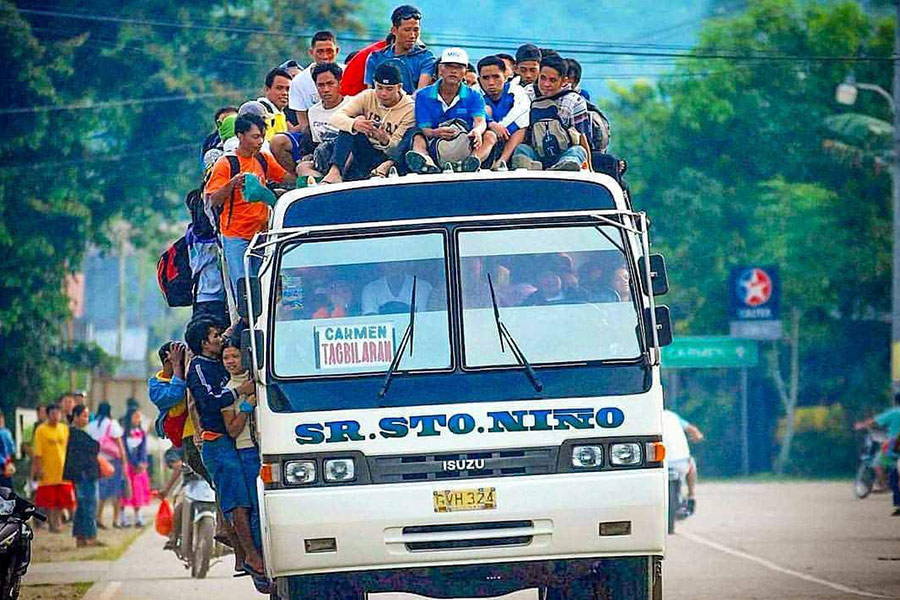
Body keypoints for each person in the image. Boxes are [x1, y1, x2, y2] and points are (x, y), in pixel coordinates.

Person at [184, 318, 264, 577]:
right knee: (236, 503)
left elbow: (234, 334)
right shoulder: (198, 368)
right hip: (216, 442)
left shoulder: (218, 362)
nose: (220, 339)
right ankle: (250, 556)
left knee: (241, 500)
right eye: (215, 336)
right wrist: (241, 392)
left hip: (229, 443)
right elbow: (209, 401)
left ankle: (244, 557)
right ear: (204, 343)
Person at [206, 114, 295, 299]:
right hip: (236, 236)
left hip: (262, 235)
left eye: (262, 136)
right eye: (255, 137)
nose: (260, 141)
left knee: (264, 285)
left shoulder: (263, 159)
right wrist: (232, 184)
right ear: (240, 136)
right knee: (244, 288)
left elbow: (286, 178)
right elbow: (213, 199)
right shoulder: (226, 164)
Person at [405, 48, 496, 174]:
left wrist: (477, 131)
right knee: (417, 135)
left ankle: (470, 162)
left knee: (490, 136)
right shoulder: (423, 95)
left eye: (459, 67)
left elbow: (480, 121)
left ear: (465, 71)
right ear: (440, 69)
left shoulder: (474, 95)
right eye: (449, 66)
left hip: (464, 143)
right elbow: (424, 127)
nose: (453, 71)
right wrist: (436, 133)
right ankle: (427, 163)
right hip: (434, 143)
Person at [324, 62, 416, 183]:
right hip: (366, 151)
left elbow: (399, 147)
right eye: (379, 88)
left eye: (389, 89)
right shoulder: (368, 96)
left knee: (412, 134)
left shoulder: (410, 108)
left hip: (390, 157)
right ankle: (334, 172)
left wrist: (384, 140)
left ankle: (381, 170)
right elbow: (335, 117)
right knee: (350, 126)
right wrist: (355, 124)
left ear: (399, 87)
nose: (383, 93)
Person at [511, 55, 591, 172]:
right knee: (521, 149)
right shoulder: (527, 95)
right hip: (536, 152)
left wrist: (590, 167)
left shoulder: (575, 101)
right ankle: (529, 168)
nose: (546, 84)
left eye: (552, 80)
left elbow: (582, 136)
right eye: (543, 78)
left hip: (564, 153)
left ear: (564, 81)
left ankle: (562, 167)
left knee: (578, 151)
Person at [221, 337, 262, 552]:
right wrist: (245, 408)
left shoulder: (259, 379)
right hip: (246, 452)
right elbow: (233, 430)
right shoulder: (227, 392)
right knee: (256, 507)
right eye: (226, 357)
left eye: (235, 356)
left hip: (265, 448)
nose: (230, 361)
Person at [272, 63, 347, 177]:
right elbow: (317, 143)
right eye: (321, 85)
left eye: (330, 84)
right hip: (324, 158)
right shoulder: (313, 112)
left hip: (348, 157)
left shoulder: (352, 105)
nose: (326, 89)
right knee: (302, 168)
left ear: (339, 83)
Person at [364, 5, 436, 94]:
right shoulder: (376, 58)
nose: (412, 35)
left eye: (416, 30)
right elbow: (370, 93)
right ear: (394, 30)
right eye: (407, 30)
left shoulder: (426, 58)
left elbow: (420, 94)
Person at [478, 55, 530, 170]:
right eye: (485, 78)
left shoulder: (516, 90)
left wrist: (502, 127)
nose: (491, 82)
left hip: (509, 134)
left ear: (505, 76)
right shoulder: (475, 93)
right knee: (485, 111)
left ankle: (502, 161)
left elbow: (521, 113)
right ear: (479, 80)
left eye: (496, 77)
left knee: (522, 125)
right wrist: (491, 124)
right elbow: (473, 112)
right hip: (487, 135)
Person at [288, 31, 343, 134]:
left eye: (329, 51)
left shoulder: (349, 73)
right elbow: (303, 121)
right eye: (320, 52)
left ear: (337, 51)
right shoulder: (298, 81)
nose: (325, 56)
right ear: (311, 52)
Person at [63, 405, 103, 547]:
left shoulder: (80, 433)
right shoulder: (76, 434)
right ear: (76, 417)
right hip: (84, 474)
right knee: (88, 505)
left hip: (84, 474)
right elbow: (94, 447)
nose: (86, 419)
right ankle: (90, 536)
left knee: (82, 507)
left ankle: (81, 537)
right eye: (84, 416)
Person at [854, 393, 900, 515]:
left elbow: (874, 421)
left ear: (895, 401)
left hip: (895, 443)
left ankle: (883, 484)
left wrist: (861, 425)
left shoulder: (895, 412)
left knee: (877, 464)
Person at [32, 404, 74, 533]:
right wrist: (39, 468)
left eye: (58, 413)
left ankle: (58, 520)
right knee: (49, 501)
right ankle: (51, 522)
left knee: (62, 499)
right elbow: (37, 452)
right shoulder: (41, 430)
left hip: (62, 470)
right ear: (48, 415)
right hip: (48, 470)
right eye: (53, 413)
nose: (56, 416)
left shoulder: (64, 429)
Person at [87, 402, 129, 529]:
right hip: (112, 461)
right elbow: (120, 444)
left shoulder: (91, 425)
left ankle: (98, 517)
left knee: (101, 491)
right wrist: (124, 461)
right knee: (116, 491)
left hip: (97, 460)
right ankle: (116, 520)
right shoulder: (112, 424)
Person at [662, 409, 703, 515]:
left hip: (660, 461)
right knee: (691, 464)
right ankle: (691, 495)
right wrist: (697, 438)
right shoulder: (672, 416)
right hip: (680, 462)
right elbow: (694, 431)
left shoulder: (647, 416)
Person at [361, 263, 433, 315]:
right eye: (388, 262)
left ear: (405, 262)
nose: (393, 266)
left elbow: (424, 320)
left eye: (397, 262)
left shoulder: (423, 287)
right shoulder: (370, 289)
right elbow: (372, 323)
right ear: (380, 264)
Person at [118, 407, 149, 527]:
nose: (137, 419)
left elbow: (143, 450)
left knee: (138, 492)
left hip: (139, 469)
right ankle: (123, 517)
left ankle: (138, 517)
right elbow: (125, 451)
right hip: (127, 466)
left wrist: (142, 463)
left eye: (139, 417)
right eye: (135, 416)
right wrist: (134, 463)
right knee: (125, 491)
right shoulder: (123, 434)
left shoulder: (142, 433)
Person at [257, 67, 292, 140]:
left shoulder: (280, 113)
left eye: (288, 89)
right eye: (279, 88)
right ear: (267, 89)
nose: (285, 93)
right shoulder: (261, 113)